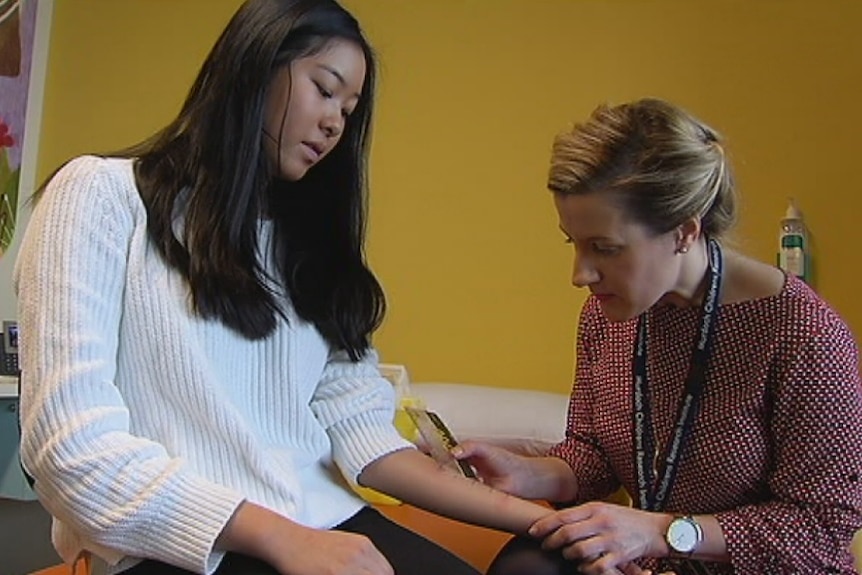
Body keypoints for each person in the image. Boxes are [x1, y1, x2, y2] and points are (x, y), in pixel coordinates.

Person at [13, 2, 556, 574]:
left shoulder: (309, 253)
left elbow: (367, 438)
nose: (335, 124)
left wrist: (541, 518)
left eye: (348, 110)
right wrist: (282, 538)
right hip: (184, 542)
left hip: (327, 521)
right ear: (257, 66)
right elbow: (70, 450)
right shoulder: (99, 196)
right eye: (325, 90)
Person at [454, 98, 862, 575]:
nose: (580, 274)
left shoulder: (803, 335)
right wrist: (528, 473)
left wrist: (660, 531)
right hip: (646, 560)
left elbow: (823, 527)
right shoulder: (609, 315)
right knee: (529, 564)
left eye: (604, 248)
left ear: (683, 233)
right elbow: (596, 456)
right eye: (575, 243)